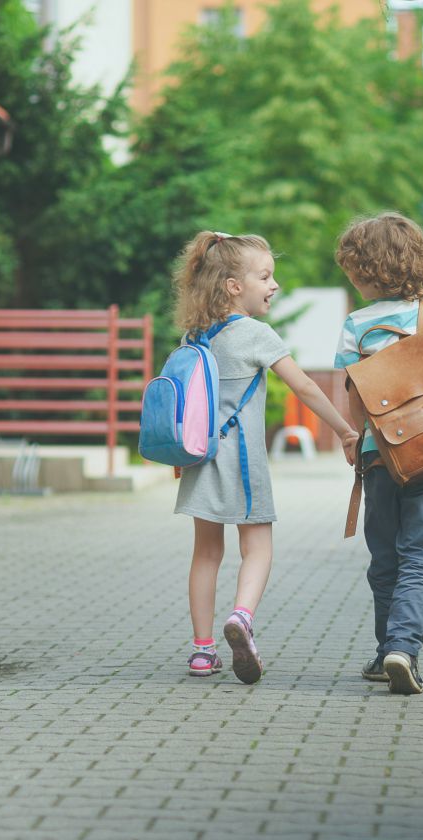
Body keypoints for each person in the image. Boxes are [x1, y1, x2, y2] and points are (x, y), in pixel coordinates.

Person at [172, 231, 359, 683]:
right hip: (242, 462)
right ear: (234, 286)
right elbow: (306, 386)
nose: (274, 284)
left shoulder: (193, 335)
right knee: (257, 547)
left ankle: (202, 653)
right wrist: (345, 430)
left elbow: (184, 400)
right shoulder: (255, 333)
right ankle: (241, 617)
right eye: (265, 276)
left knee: (205, 553)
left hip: (199, 459)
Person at [332, 212, 423, 696]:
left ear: (365, 272)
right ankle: (402, 649)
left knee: (385, 554)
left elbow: (353, 395)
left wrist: (354, 438)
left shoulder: (354, 326)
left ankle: (385, 648)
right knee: (421, 553)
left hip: (378, 455)